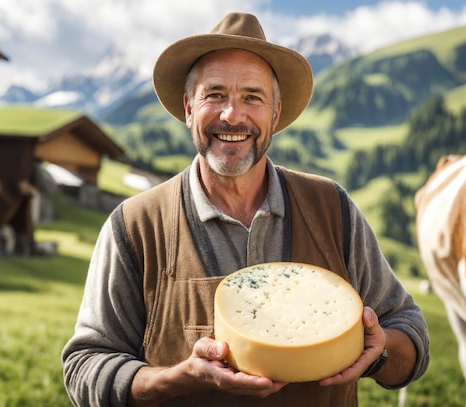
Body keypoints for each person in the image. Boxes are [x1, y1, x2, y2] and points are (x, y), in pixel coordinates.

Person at [62, 12, 430, 407]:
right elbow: (85, 369)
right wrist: (179, 378)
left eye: (252, 97)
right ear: (189, 108)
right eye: (215, 94)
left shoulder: (331, 208)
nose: (232, 115)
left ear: (274, 113)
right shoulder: (135, 226)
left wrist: (378, 351)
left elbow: (410, 335)